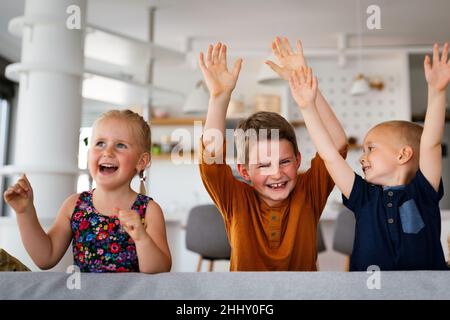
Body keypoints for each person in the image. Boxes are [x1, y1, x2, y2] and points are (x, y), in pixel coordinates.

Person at [288, 43, 450, 270]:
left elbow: (431, 142)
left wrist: (437, 91)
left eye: (370, 148)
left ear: (403, 155)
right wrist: (307, 107)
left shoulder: (424, 191)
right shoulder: (363, 195)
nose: (362, 158)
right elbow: (330, 156)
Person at [198, 38, 347, 271]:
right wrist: (219, 98)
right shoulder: (235, 200)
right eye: (264, 165)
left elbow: (336, 145)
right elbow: (211, 158)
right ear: (244, 171)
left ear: (298, 160)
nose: (276, 173)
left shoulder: (310, 191)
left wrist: (306, 89)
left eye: (285, 161)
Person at [3, 109, 171, 273]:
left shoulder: (149, 211)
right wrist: (25, 212)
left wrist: (141, 238)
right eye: (100, 143)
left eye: (120, 145)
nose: (107, 151)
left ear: (141, 161)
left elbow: (160, 269)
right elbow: (45, 258)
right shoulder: (74, 205)